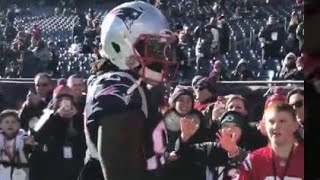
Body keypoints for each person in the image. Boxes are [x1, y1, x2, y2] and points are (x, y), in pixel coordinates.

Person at [79, 1, 178, 180]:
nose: (162, 56)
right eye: (154, 46)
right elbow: (119, 162)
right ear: (121, 43)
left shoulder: (132, 83)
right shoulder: (120, 86)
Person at [237, 103, 304, 180]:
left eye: (282, 121)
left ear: (295, 125)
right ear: (265, 126)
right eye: (271, 122)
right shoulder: (253, 160)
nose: (275, 126)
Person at [0, 109, 35, 180]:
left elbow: (30, 152)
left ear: (19, 124)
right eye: (6, 122)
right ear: (0, 125)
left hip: (20, 172)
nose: (10, 125)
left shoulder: (23, 137)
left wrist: (28, 145)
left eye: (13, 122)